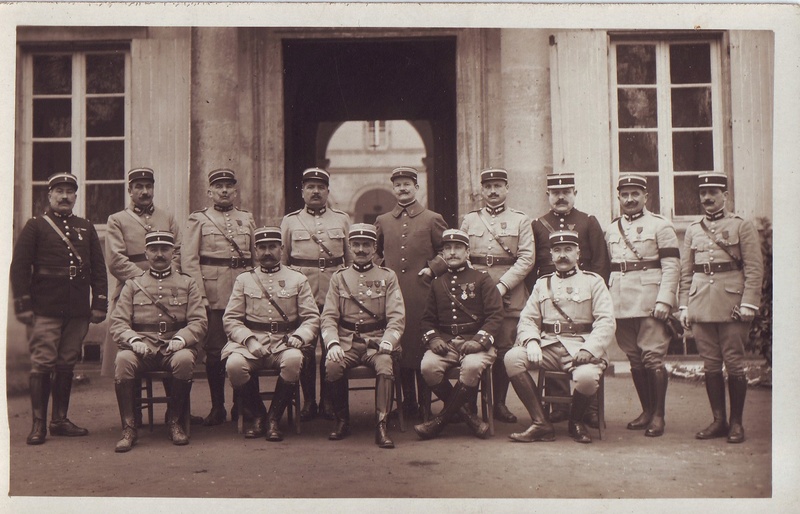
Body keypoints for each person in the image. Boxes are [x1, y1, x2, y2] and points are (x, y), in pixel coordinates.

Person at [10, 172, 108, 445]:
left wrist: (99, 303)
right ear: (49, 195)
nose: (65, 196)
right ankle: (38, 424)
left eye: (69, 192)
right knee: (42, 362)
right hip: (45, 306)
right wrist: (24, 305)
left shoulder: (86, 227)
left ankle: (60, 420)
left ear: (76, 196)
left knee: (67, 362)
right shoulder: (36, 226)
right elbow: (19, 268)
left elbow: (98, 269)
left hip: (77, 308)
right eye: (59, 191)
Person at [506, 230, 616, 444]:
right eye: (557, 250)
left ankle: (575, 422)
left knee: (586, 378)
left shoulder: (594, 282)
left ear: (578, 253)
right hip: (548, 345)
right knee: (512, 358)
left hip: (581, 348)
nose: (562, 255)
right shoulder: (542, 283)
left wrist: (589, 349)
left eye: (568, 250)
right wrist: (531, 342)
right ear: (551, 255)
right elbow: (528, 319)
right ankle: (541, 423)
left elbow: (606, 321)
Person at [678, 173, 763, 443]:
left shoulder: (741, 226)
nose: (707, 198)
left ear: (724, 195)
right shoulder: (693, 229)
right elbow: (686, 271)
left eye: (713, 192)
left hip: (733, 304)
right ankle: (718, 421)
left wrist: (749, 302)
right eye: (703, 193)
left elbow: (753, 268)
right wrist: (683, 306)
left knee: (734, 364)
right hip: (701, 303)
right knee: (711, 365)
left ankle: (737, 423)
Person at [525, 172, 610, 427]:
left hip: (583, 296)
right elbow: (532, 266)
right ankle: (559, 405)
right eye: (555, 192)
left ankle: (590, 409)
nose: (561, 196)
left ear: (575, 193)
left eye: (566, 191)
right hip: (548, 294)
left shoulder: (588, 222)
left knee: (584, 347)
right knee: (552, 339)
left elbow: (600, 263)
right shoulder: (538, 224)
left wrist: (595, 296)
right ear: (548, 195)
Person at [110, 231, 207, 452]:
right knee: (124, 359)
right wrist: (133, 340)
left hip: (174, 348)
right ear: (146, 253)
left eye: (165, 249)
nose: (159, 254)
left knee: (183, 360)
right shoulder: (134, 285)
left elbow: (199, 321)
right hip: (142, 348)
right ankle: (129, 427)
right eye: (154, 250)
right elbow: (118, 322)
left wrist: (182, 339)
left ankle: (174, 421)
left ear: (173, 252)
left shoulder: (187, 283)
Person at [222, 227, 320, 441]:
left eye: (272, 247)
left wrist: (299, 336)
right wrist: (248, 340)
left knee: (294, 359)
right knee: (234, 365)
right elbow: (231, 319)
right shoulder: (244, 280)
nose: (267, 252)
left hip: (284, 344)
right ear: (255, 250)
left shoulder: (297, 279)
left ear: (281, 249)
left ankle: (274, 417)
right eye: (262, 247)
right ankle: (259, 415)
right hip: (251, 344)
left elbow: (312, 318)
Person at [101, 168, 183, 417]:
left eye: (148, 186)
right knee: (131, 349)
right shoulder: (117, 220)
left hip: (168, 290)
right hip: (130, 289)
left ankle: (177, 412)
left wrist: (169, 278)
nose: (145, 191)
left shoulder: (167, 217)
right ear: (130, 190)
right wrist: (144, 280)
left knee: (173, 341)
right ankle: (133, 412)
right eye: (139, 187)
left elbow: (177, 253)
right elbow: (115, 260)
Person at [605, 173, 680, 437]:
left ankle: (658, 416)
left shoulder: (661, 226)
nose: (629, 199)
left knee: (653, 358)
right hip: (621, 302)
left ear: (646, 196)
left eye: (635, 194)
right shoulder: (612, 229)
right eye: (624, 195)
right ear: (619, 197)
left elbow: (672, 267)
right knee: (635, 359)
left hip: (651, 301)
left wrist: (665, 300)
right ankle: (646, 411)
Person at [460, 167, 534, 424]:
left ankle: (500, 403)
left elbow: (526, 258)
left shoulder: (520, 220)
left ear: (506, 189)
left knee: (504, 347)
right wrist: (479, 285)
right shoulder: (470, 220)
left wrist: (501, 285)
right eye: (488, 187)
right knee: (471, 345)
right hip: (474, 293)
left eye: (498, 186)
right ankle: (468, 404)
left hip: (508, 293)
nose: (493, 191)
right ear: (481, 190)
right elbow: (462, 255)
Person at [321, 224, 405, 448]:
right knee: (332, 365)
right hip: (346, 342)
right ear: (349, 247)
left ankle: (381, 425)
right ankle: (342, 421)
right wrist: (332, 343)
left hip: (376, 342)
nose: (360, 249)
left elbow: (397, 316)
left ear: (374, 247)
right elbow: (328, 317)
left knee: (385, 365)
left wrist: (388, 342)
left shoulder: (387, 276)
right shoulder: (339, 278)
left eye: (366, 244)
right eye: (356, 245)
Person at [414, 229, 503, 440]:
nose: (452, 253)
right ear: (443, 254)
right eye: (447, 249)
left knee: (471, 366)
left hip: (476, 342)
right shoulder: (437, 283)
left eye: (457, 248)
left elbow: (495, 316)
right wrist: (434, 339)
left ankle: (439, 421)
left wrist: (478, 342)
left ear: (467, 252)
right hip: (446, 343)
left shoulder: (482, 279)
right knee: (428, 367)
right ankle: (469, 417)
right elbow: (427, 320)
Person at [182, 168, 255, 426]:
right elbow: (189, 261)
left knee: (243, 349)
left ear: (235, 191)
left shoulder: (246, 219)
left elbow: (254, 261)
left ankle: (241, 405)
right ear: (209, 191)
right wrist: (200, 296)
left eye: (228, 185)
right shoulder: (199, 220)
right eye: (218, 186)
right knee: (214, 352)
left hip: (244, 295)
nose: (224, 190)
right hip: (213, 296)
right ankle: (217, 407)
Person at [375, 166, 448, 420]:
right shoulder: (383, 221)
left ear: (417, 188)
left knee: (421, 346)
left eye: (408, 184)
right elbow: (376, 254)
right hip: (394, 295)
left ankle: (426, 407)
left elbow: (447, 250)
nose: (403, 189)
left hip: (422, 294)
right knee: (401, 346)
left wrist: (431, 269)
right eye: (398, 185)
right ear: (393, 189)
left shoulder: (432, 218)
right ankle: (407, 404)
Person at [281, 167, 353, 421]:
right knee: (307, 348)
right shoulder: (290, 221)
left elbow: (351, 260)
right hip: (303, 293)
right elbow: (283, 261)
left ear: (327, 191)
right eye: (310, 187)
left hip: (335, 291)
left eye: (320, 187)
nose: (315, 191)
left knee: (332, 346)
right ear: (302, 191)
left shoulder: (342, 219)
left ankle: (328, 401)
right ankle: (309, 401)